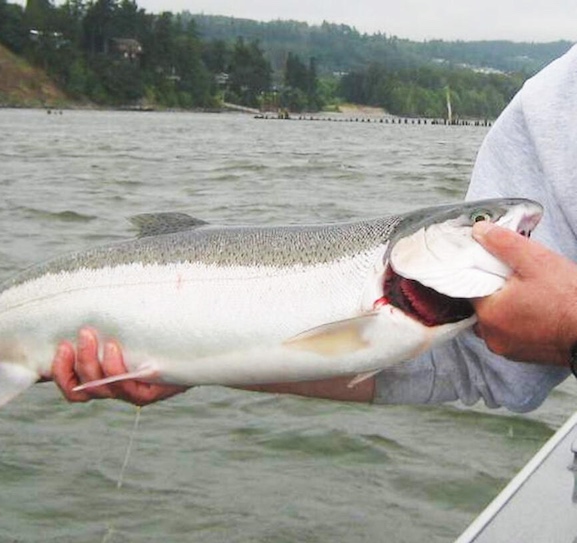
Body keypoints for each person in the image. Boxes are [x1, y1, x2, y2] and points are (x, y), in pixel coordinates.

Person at [51, 44, 577, 412]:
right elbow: (479, 364)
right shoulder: (552, 106)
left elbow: (553, 326)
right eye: (480, 225)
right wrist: (189, 356)